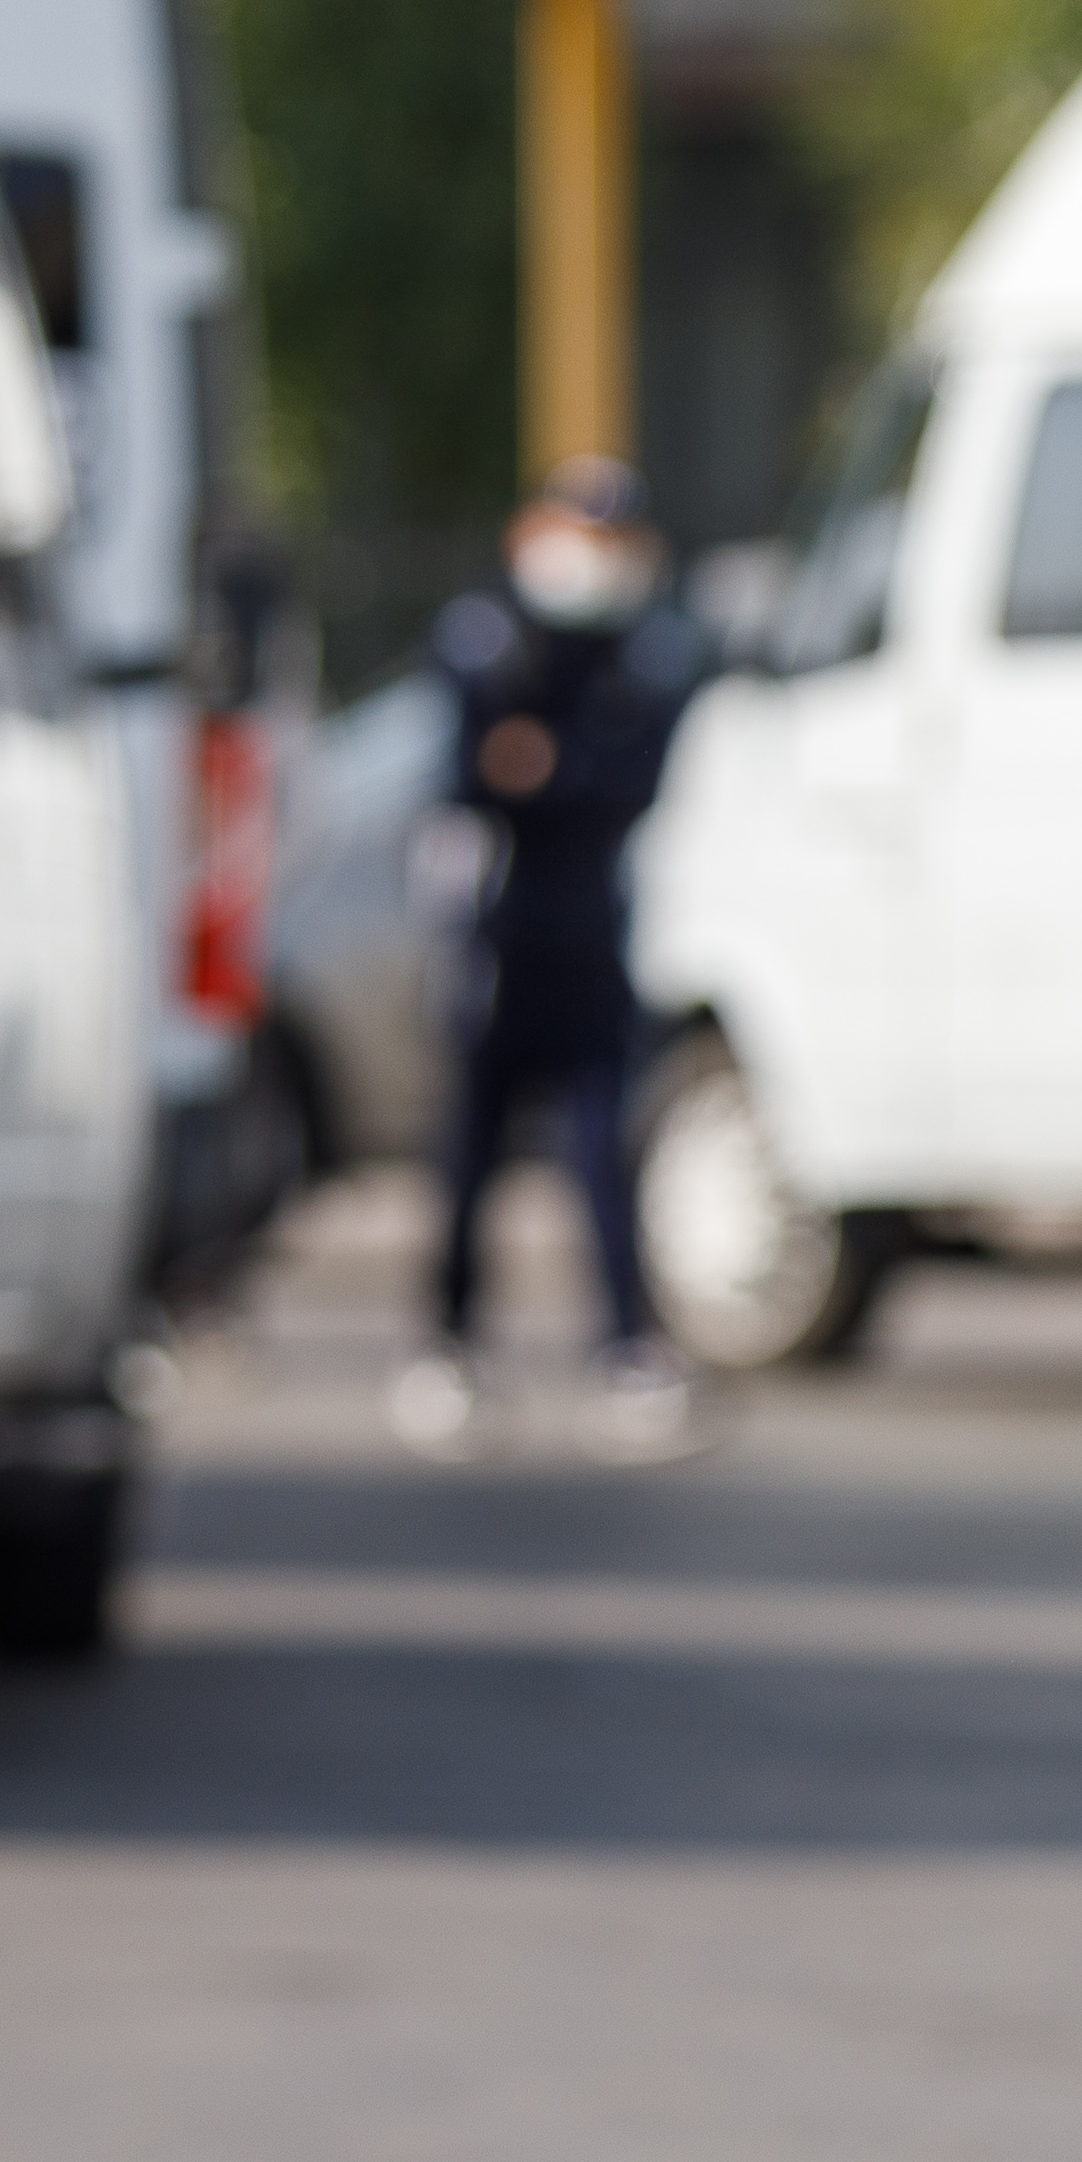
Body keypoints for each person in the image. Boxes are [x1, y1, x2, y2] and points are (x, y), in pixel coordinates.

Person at [392, 455, 711, 1464]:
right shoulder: (488, 637)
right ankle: (447, 1347)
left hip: (590, 939)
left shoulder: (647, 653)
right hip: (498, 941)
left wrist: (548, 766)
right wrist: (544, 770)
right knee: (470, 1154)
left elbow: (626, 780)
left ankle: (626, 1349)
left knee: (599, 1152)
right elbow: (471, 775)